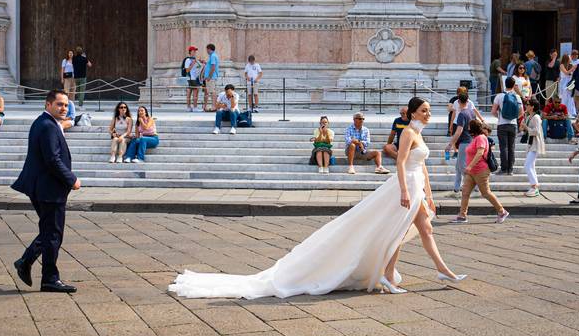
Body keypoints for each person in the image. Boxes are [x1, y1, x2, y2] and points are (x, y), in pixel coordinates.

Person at [169, 97, 465, 299]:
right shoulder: (408, 135)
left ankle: (430, 272)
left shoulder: (419, 133)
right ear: (413, 112)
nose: (428, 114)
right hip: (404, 188)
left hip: (415, 187)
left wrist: (428, 193)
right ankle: (418, 272)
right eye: (424, 110)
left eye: (428, 110)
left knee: (421, 229)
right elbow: (400, 163)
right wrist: (404, 190)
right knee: (400, 231)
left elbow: (421, 165)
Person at [11, 90, 80, 293]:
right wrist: (72, 179)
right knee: (53, 234)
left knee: (50, 232)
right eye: (59, 104)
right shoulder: (48, 126)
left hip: (44, 187)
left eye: (66, 105)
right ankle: (49, 278)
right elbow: (52, 159)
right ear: (48, 104)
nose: (64, 108)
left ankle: (26, 261)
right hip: (49, 189)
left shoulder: (44, 123)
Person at [450, 119, 509, 223]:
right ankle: (462, 215)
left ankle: (502, 211)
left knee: (486, 192)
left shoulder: (481, 138)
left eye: (469, 127)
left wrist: (470, 166)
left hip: (481, 170)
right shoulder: (475, 138)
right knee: (465, 192)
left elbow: (480, 153)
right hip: (471, 171)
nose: (468, 129)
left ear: (473, 128)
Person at [492, 77, 523, 175]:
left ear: (505, 84)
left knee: (503, 147)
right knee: (511, 147)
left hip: (502, 124)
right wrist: (514, 117)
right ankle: (510, 169)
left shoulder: (499, 96)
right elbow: (521, 112)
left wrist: (500, 117)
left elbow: (493, 111)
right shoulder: (517, 97)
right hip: (513, 124)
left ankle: (504, 169)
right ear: (514, 85)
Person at [448, 93, 476, 196]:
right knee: (458, 166)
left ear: (458, 102)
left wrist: (450, 144)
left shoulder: (462, 114)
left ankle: (472, 186)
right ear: (468, 101)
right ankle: (456, 187)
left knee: (462, 166)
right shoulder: (471, 113)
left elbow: (459, 131)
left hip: (464, 142)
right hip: (470, 141)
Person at [522, 98, 545, 197]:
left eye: (528, 104)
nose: (526, 106)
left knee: (527, 165)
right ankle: (534, 187)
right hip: (530, 143)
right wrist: (523, 128)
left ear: (532, 106)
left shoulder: (536, 117)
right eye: (526, 104)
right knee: (531, 166)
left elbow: (536, 131)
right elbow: (527, 131)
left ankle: (534, 186)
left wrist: (526, 127)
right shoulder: (528, 117)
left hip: (535, 143)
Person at [183, 46, 202, 112]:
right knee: (194, 92)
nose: (195, 52)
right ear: (190, 52)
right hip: (191, 78)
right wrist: (193, 63)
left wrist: (199, 62)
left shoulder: (194, 59)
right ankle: (194, 107)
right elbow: (187, 70)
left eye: (195, 51)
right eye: (193, 51)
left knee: (190, 92)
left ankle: (189, 107)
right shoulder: (188, 60)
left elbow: (198, 67)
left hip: (193, 78)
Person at [202, 44, 220, 111]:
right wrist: (205, 62)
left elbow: (213, 67)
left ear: (209, 49)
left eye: (207, 49)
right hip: (211, 77)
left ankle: (214, 106)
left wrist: (209, 76)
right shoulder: (212, 56)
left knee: (212, 92)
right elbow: (210, 65)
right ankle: (213, 106)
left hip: (211, 77)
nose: (206, 51)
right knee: (211, 91)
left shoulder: (213, 56)